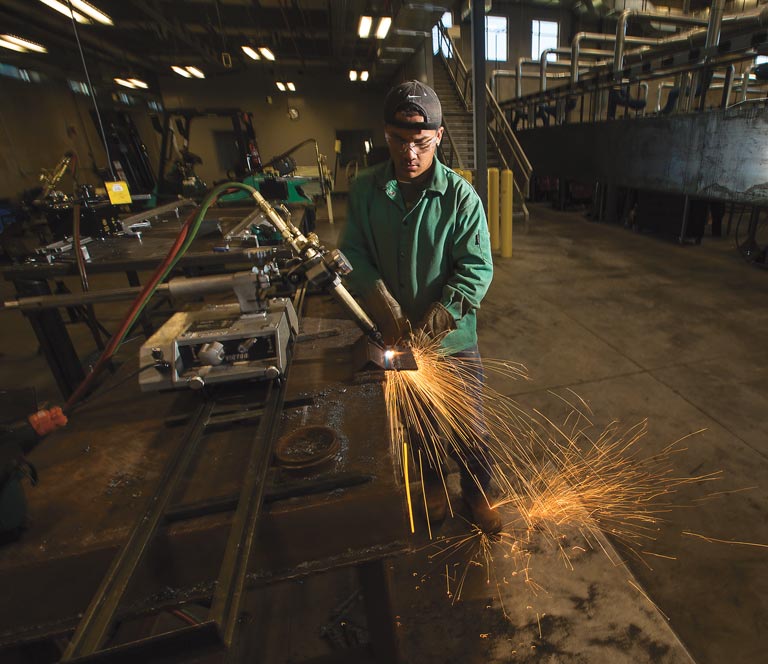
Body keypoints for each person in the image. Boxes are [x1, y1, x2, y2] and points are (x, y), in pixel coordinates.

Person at [338, 80, 501, 533]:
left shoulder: (460, 197)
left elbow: (476, 268)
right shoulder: (367, 190)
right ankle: (433, 486)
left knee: (470, 428)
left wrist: (442, 315)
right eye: (399, 141)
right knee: (419, 425)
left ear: (440, 137)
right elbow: (352, 255)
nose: (410, 154)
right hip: (393, 338)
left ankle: (478, 494)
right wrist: (381, 300)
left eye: (421, 143)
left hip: (452, 341)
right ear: (384, 135)